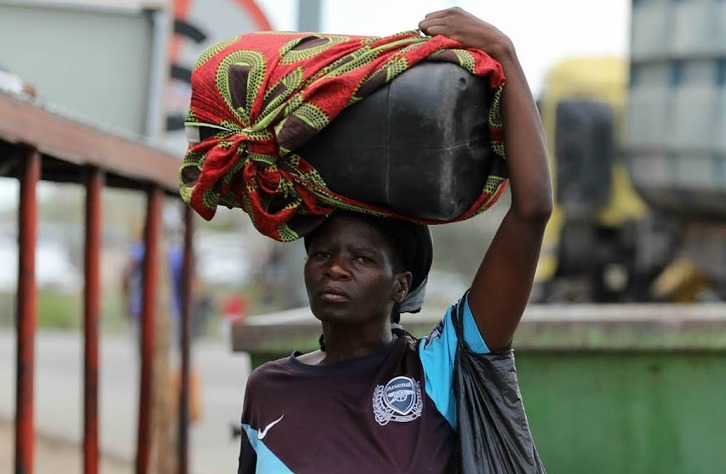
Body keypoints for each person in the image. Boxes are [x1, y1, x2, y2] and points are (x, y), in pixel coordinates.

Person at [237, 7, 552, 473]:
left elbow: (532, 211)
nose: (335, 268)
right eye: (322, 253)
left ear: (400, 285)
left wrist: (503, 53)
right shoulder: (267, 389)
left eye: (362, 258)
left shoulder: (442, 369)